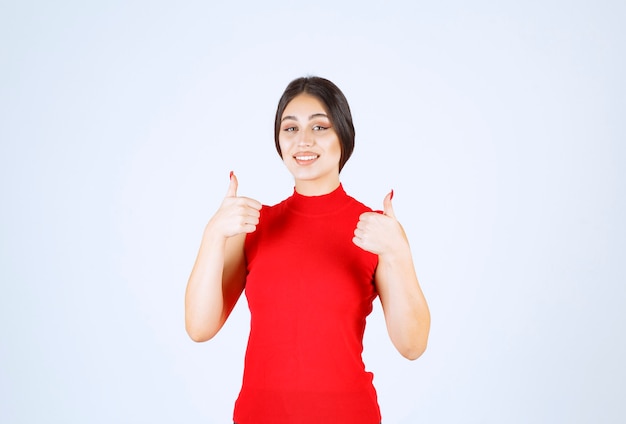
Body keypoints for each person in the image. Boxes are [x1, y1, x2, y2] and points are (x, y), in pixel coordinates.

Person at [185, 76, 430, 424]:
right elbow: (199, 327)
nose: (303, 140)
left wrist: (398, 255)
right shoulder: (255, 225)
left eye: (320, 126)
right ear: (278, 141)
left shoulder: (376, 230)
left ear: (343, 136)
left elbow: (412, 346)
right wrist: (213, 234)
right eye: (290, 128)